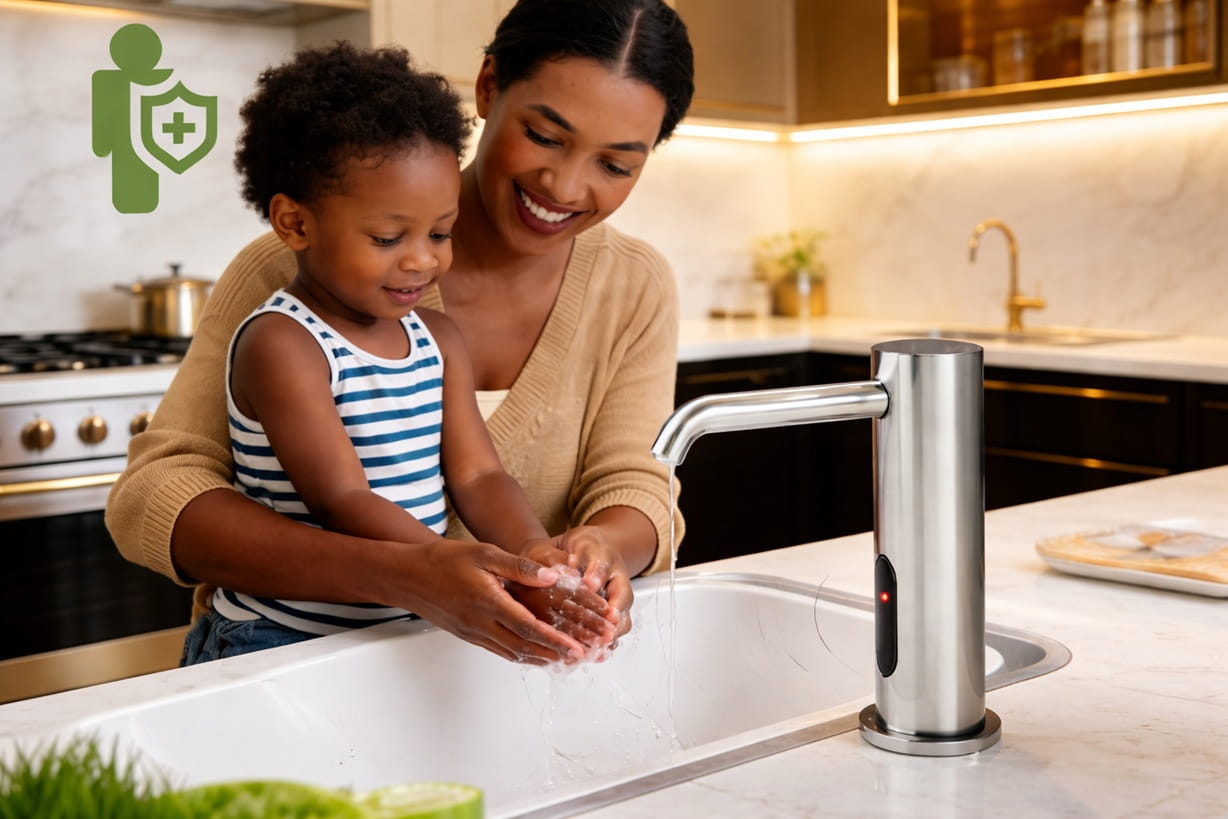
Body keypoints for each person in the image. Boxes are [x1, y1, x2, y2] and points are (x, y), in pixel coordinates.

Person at [105, 0, 695, 666]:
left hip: (480, 672)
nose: (564, 184)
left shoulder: (633, 285)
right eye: (545, 135)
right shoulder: (293, 273)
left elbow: (634, 483)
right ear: (488, 87)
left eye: (616, 166)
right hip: (286, 653)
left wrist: (594, 551)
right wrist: (403, 572)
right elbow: (154, 493)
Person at [182, 42, 619, 664]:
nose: (423, 259)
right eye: (389, 237)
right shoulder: (284, 343)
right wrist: (445, 566)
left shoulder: (436, 339)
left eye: (440, 232)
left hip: (406, 623)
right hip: (279, 639)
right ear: (294, 224)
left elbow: (479, 474)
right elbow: (343, 498)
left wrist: (532, 558)